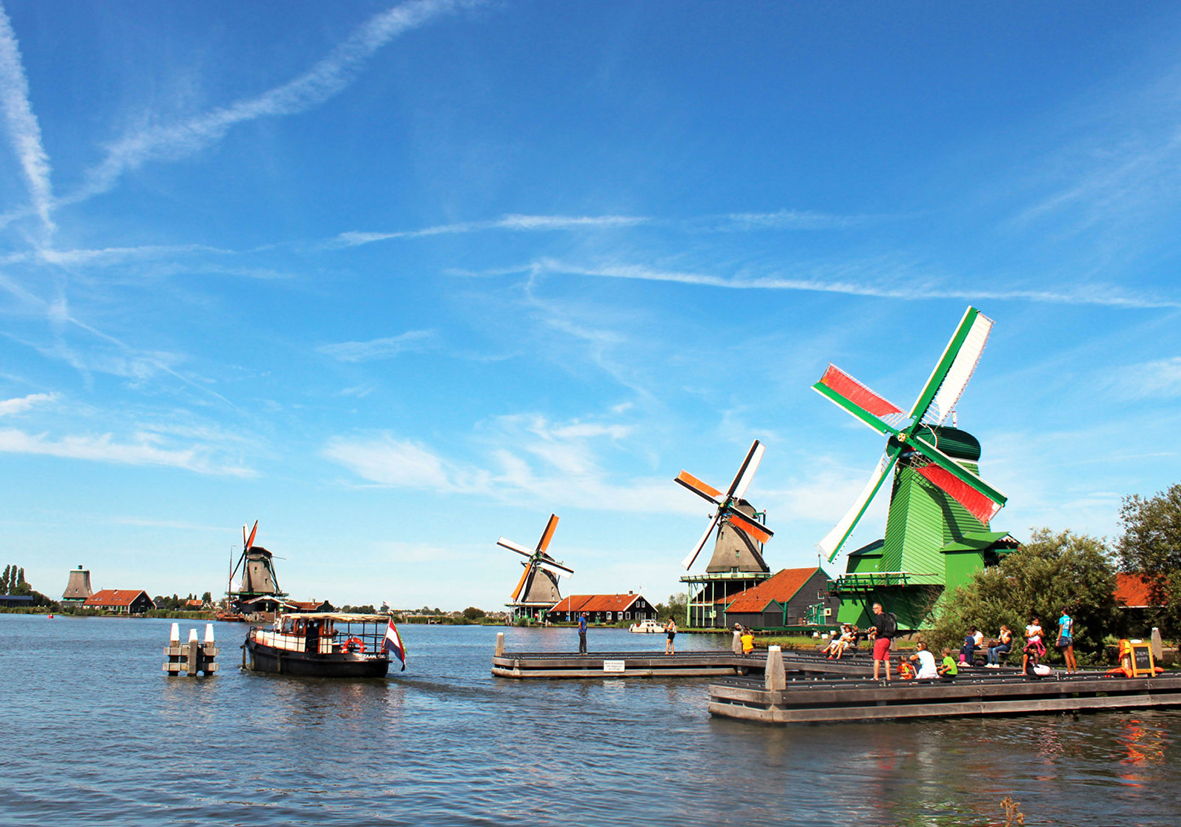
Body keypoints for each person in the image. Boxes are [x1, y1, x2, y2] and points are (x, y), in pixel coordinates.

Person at [867, 602, 897, 682]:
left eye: (875, 608)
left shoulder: (879, 617)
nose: (873, 610)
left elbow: (879, 630)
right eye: (873, 608)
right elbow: (883, 627)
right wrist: (874, 628)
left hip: (881, 640)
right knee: (886, 659)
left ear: (880, 608)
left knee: (877, 658)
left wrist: (872, 634)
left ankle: (875, 677)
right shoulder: (887, 616)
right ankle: (888, 677)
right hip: (888, 640)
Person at [1057, 608, 1078, 673]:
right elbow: (1071, 630)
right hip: (1069, 637)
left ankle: (1069, 670)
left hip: (1063, 636)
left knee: (1066, 654)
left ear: (1063, 611)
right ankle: (1075, 670)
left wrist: (1058, 639)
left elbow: (1061, 629)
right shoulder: (1071, 619)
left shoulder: (1062, 619)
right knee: (1071, 654)